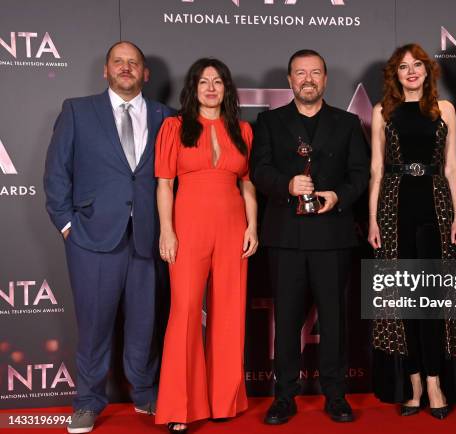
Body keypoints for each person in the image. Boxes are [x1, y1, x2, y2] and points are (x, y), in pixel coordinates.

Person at [43, 41, 174, 433]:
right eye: (118, 62)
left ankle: (145, 392)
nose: (126, 67)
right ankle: (87, 401)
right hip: (92, 237)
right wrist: (68, 225)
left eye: (134, 62)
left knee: (144, 323)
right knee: (95, 325)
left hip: (146, 238)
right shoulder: (77, 111)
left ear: (145, 73)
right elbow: (56, 174)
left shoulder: (166, 116)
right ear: (106, 70)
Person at [250, 49, 369, 424]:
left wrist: (338, 197)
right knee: (286, 321)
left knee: (334, 321)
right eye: (300, 73)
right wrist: (286, 184)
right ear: (289, 80)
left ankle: (336, 396)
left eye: (315, 73)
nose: (308, 79)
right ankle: (284, 396)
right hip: (285, 235)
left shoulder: (348, 123)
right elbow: (258, 170)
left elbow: (360, 175)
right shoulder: (268, 122)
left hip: (332, 234)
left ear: (325, 79)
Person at [368, 44, 456, 420]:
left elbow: (452, 168)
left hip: (436, 206)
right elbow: (377, 171)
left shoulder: (444, 109)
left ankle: (435, 381)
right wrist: (372, 221)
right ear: (395, 74)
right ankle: (414, 382)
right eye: (404, 67)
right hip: (394, 208)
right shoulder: (383, 111)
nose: (411, 71)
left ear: (427, 71)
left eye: (417, 65)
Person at [154, 58, 257, 434]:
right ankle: (179, 406)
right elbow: (164, 183)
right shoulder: (174, 127)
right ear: (193, 88)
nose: (211, 87)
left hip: (233, 227)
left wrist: (253, 227)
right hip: (188, 226)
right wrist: (167, 231)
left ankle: (222, 401)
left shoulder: (242, 129)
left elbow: (248, 184)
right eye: (203, 81)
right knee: (184, 314)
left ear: (227, 88)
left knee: (229, 313)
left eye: (218, 81)